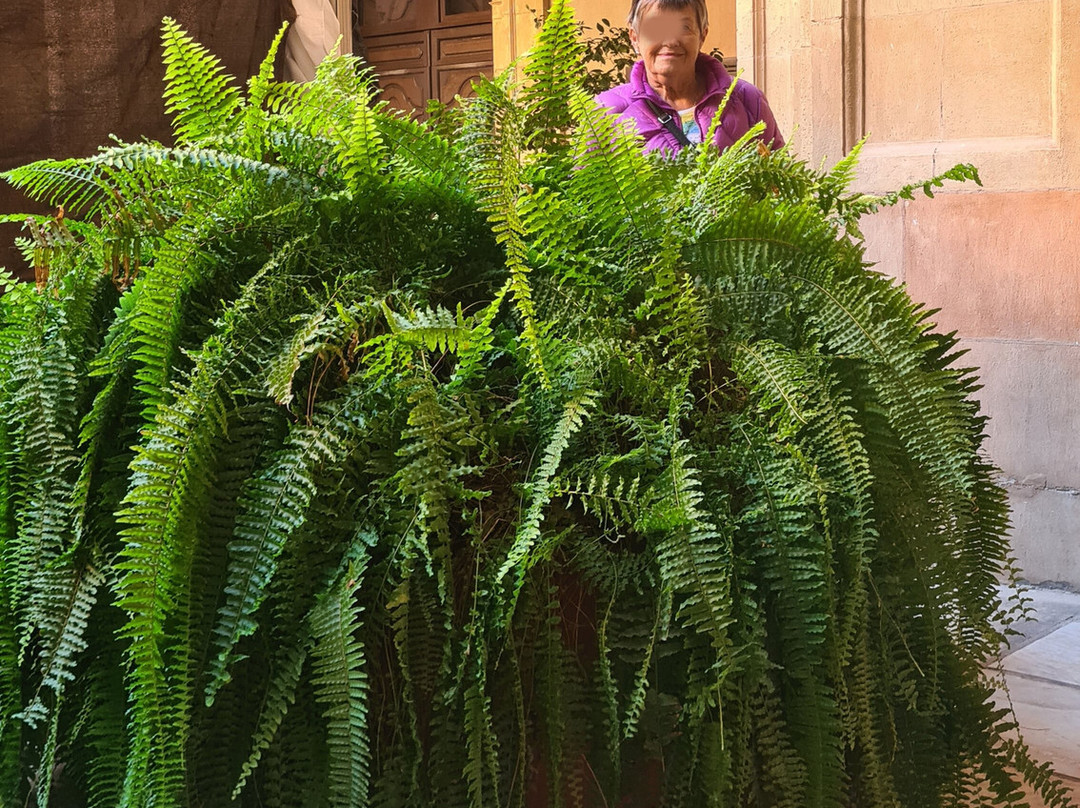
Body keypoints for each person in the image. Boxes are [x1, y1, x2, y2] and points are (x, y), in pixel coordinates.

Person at [594, 0, 784, 155]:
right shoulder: (605, 112)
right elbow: (583, 196)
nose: (670, 41)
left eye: (684, 27)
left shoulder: (747, 100)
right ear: (635, 38)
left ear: (702, 35)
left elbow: (782, 185)